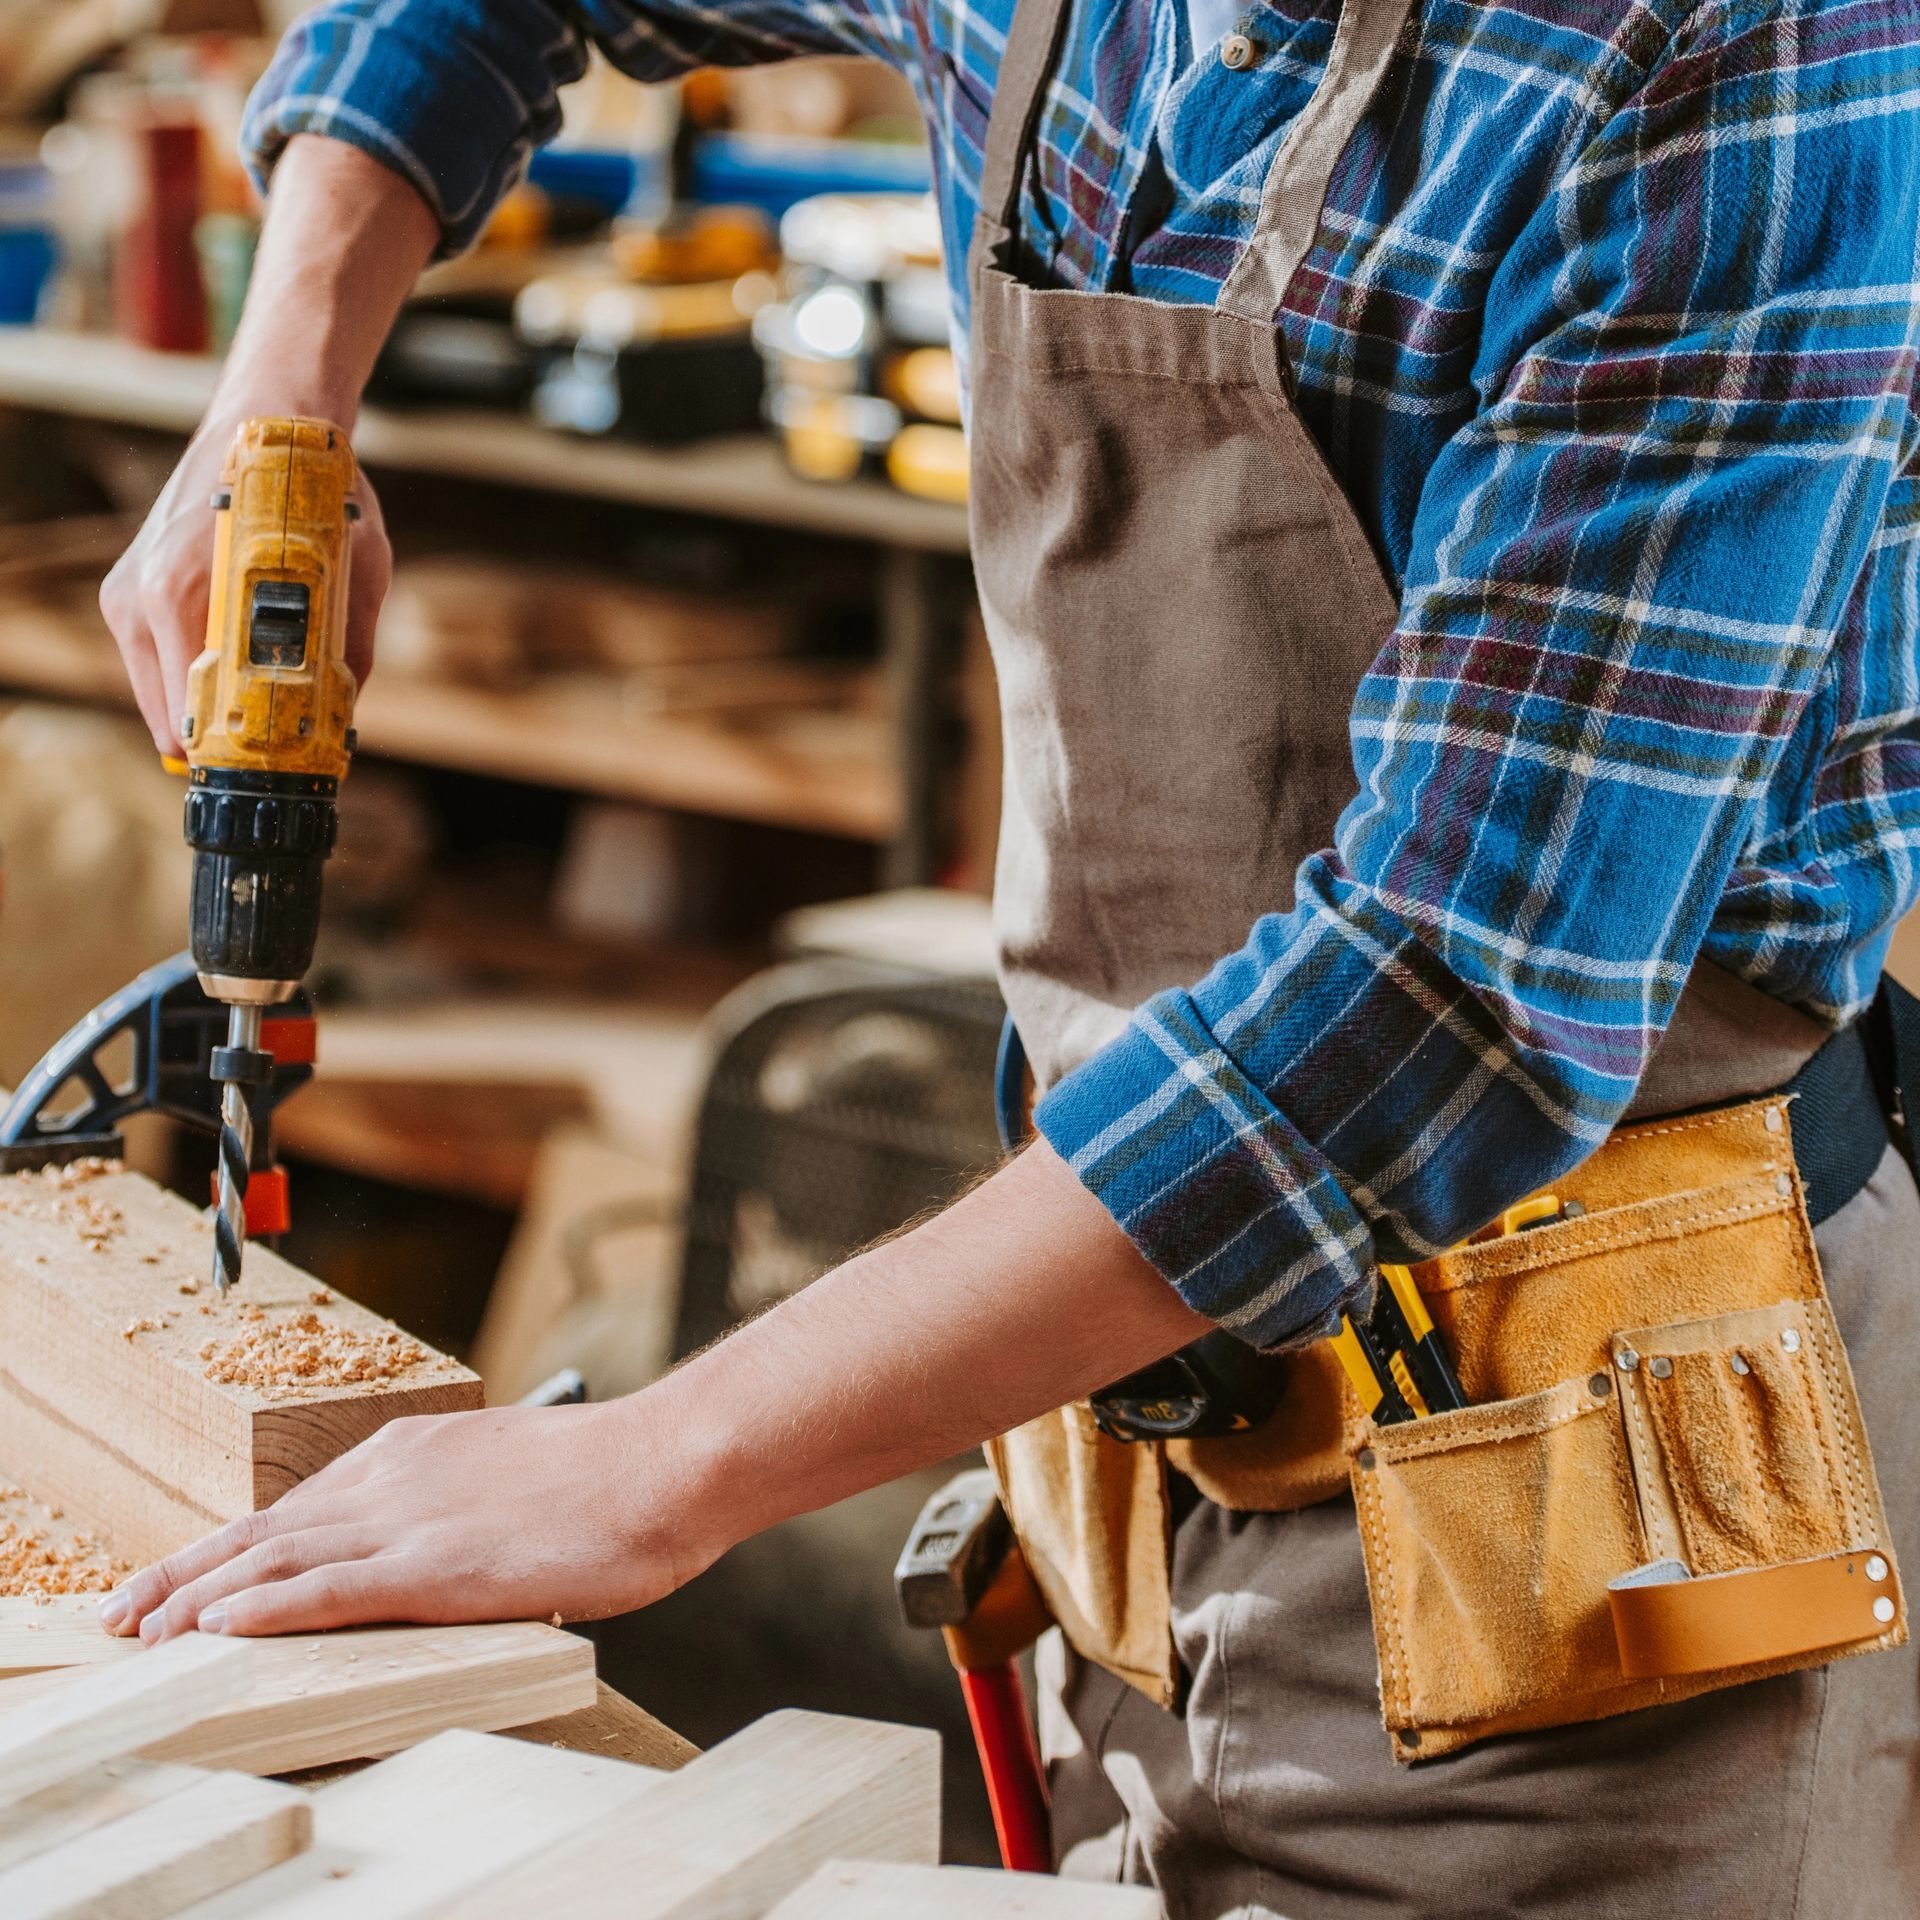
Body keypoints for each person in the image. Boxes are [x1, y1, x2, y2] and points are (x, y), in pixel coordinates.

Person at [94, 1, 1920, 1914]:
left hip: (1597, 1561)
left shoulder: (1748, 44)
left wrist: (660, 1461)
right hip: (1118, 1515)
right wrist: (279, 387)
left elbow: (1448, 994)